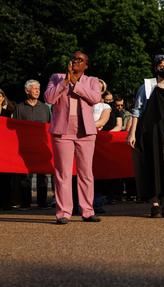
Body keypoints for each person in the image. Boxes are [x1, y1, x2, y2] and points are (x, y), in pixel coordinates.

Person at [44, 51, 102, 224]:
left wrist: (76, 83)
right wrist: (65, 82)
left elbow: (95, 98)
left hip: (86, 132)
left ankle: (87, 211)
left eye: (80, 60)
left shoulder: (92, 80)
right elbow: (48, 98)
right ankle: (63, 213)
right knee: (63, 173)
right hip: (62, 132)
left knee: (86, 173)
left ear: (86, 65)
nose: (75, 61)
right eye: (74, 59)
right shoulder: (57, 77)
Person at [127, 54, 164, 218]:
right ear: (155, 68)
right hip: (149, 130)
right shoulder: (146, 86)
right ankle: (154, 204)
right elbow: (137, 111)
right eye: (161, 67)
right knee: (151, 165)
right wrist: (132, 133)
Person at [13, 80, 52, 210]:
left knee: (43, 174)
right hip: (25, 146)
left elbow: (50, 127)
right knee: (26, 175)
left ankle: (42, 202)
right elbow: (15, 128)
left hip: (42, 146)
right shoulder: (19, 108)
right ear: (27, 91)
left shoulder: (45, 108)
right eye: (34, 88)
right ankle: (26, 202)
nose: (37, 91)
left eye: (38, 89)